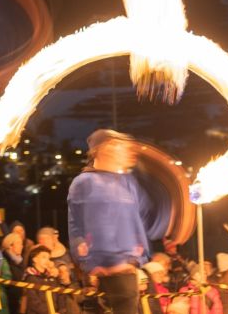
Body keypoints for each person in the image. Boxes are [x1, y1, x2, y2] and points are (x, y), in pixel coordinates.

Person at [67, 129, 159, 313]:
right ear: (100, 150)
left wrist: (138, 259)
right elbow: (81, 226)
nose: (122, 150)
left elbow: (140, 218)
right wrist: (94, 262)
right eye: (115, 145)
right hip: (109, 268)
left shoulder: (127, 182)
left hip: (127, 267)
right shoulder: (86, 182)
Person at [23, 245, 67, 314]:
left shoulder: (51, 277)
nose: (47, 261)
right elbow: (34, 302)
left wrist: (61, 311)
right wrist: (50, 312)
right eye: (44, 257)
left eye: (48, 258)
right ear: (34, 259)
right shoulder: (30, 278)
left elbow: (60, 295)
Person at [1, 232, 26, 314]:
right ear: (10, 245)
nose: (21, 246)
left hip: (18, 301)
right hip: (8, 302)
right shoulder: (4, 261)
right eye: (18, 243)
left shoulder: (21, 262)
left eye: (22, 244)